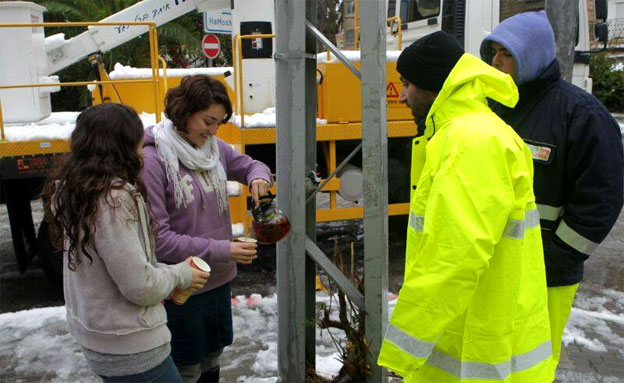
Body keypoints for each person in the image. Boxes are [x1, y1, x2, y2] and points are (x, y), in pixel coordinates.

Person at [377, 31, 554, 382]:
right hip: (476, 332)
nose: (402, 96)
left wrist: (403, 345)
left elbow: (454, 255)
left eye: (407, 84)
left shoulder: (471, 142)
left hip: (480, 347)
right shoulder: (466, 134)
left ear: (434, 85)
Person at [480, 11, 624, 373]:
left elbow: (601, 198)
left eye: (506, 54)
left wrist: (556, 258)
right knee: (490, 364)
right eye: (492, 52)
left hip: (546, 275)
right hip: (493, 269)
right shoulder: (491, 107)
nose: (496, 62)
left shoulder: (581, 113)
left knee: (531, 367)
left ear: (532, 56)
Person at [44, 103, 210, 383]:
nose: (142, 150)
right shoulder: (114, 199)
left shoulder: (74, 189)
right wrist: (180, 274)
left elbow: (117, 265)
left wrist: (162, 274)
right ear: (121, 148)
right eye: (137, 143)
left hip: (98, 339)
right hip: (132, 349)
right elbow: (140, 287)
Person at [141, 74, 272, 383]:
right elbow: (160, 242)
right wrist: (224, 250)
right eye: (207, 121)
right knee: (186, 365)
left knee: (213, 357)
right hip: (182, 285)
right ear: (184, 112)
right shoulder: (153, 159)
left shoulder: (213, 150)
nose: (213, 131)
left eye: (218, 123)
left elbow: (252, 164)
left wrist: (258, 177)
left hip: (218, 279)